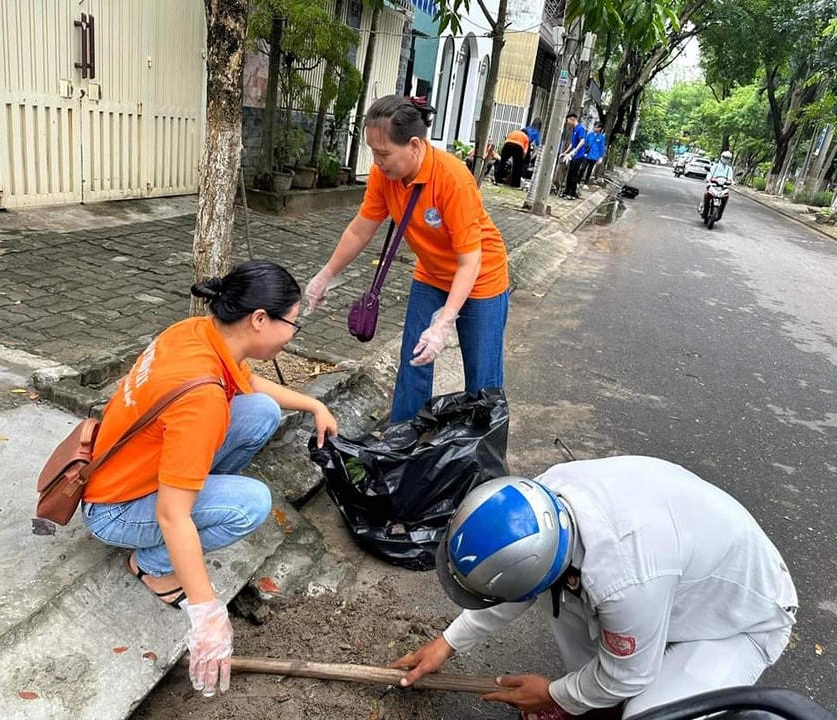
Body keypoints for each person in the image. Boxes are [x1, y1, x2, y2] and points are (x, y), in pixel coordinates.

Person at [81, 260, 339, 698]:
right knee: (250, 503)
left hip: (127, 466)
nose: (293, 335)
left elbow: (250, 384)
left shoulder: (199, 333)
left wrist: (313, 405)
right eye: (293, 324)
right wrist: (208, 614)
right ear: (259, 320)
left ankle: (200, 499)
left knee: (262, 411)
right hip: (116, 508)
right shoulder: (202, 400)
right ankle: (153, 568)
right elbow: (171, 515)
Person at [391, 456, 798, 719]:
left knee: (650, 715)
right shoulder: (543, 504)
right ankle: (592, 696)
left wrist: (552, 694)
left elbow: (627, 676)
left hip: (737, 620)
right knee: (568, 608)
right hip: (670, 587)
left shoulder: (623, 579)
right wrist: (448, 642)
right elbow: (518, 585)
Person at [304, 95, 510, 423]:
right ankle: (401, 445)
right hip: (430, 274)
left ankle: (482, 458)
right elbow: (360, 231)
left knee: (482, 380)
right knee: (413, 362)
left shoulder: (452, 179)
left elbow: (470, 262)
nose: (377, 161)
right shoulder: (382, 176)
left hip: (481, 279)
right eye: (373, 151)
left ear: (414, 145)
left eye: (384, 153)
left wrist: (444, 322)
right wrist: (325, 275)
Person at [560, 114, 587, 199]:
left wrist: (575, 150)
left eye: (568, 121)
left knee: (574, 175)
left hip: (579, 155)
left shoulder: (580, 128)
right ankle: (566, 191)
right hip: (573, 155)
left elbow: (582, 141)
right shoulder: (574, 129)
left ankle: (572, 194)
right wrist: (565, 153)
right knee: (570, 174)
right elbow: (572, 144)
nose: (568, 123)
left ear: (572, 120)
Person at [703, 150, 735, 219]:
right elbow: (710, 173)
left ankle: (720, 213)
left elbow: (730, 178)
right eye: (725, 157)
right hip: (713, 185)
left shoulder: (729, 169)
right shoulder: (715, 166)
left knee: (726, 197)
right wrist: (708, 179)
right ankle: (704, 211)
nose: (726, 160)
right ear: (721, 157)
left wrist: (731, 182)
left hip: (723, 187)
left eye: (728, 158)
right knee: (707, 194)